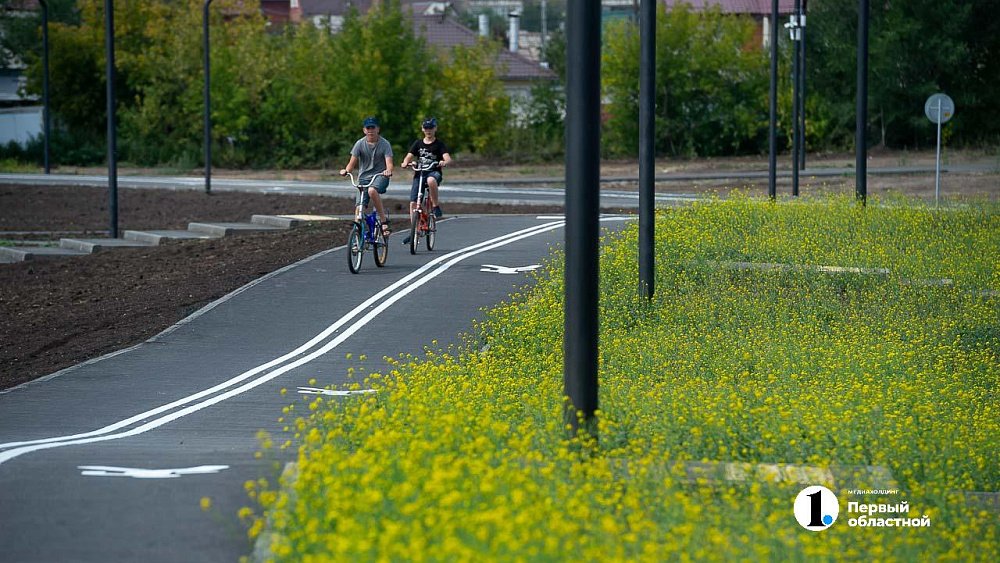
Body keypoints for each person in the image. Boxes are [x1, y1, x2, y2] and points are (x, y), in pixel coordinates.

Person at [400, 117, 452, 244]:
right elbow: (408, 156)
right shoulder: (418, 143)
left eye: (431, 128)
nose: (428, 130)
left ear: (435, 129)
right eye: (426, 128)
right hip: (420, 174)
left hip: (434, 172)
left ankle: (435, 206)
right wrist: (405, 162)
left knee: (431, 180)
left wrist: (443, 162)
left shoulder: (439, 144)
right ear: (423, 129)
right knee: (413, 203)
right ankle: (414, 231)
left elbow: (448, 158)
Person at [340, 116, 394, 236]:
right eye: (368, 128)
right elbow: (351, 164)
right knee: (359, 206)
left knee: (372, 190)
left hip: (380, 176)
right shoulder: (359, 144)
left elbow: (389, 164)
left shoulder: (385, 144)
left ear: (377, 129)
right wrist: (346, 171)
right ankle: (357, 235)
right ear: (364, 130)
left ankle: (384, 221)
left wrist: (388, 171)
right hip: (363, 178)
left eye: (372, 128)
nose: (370, 131)